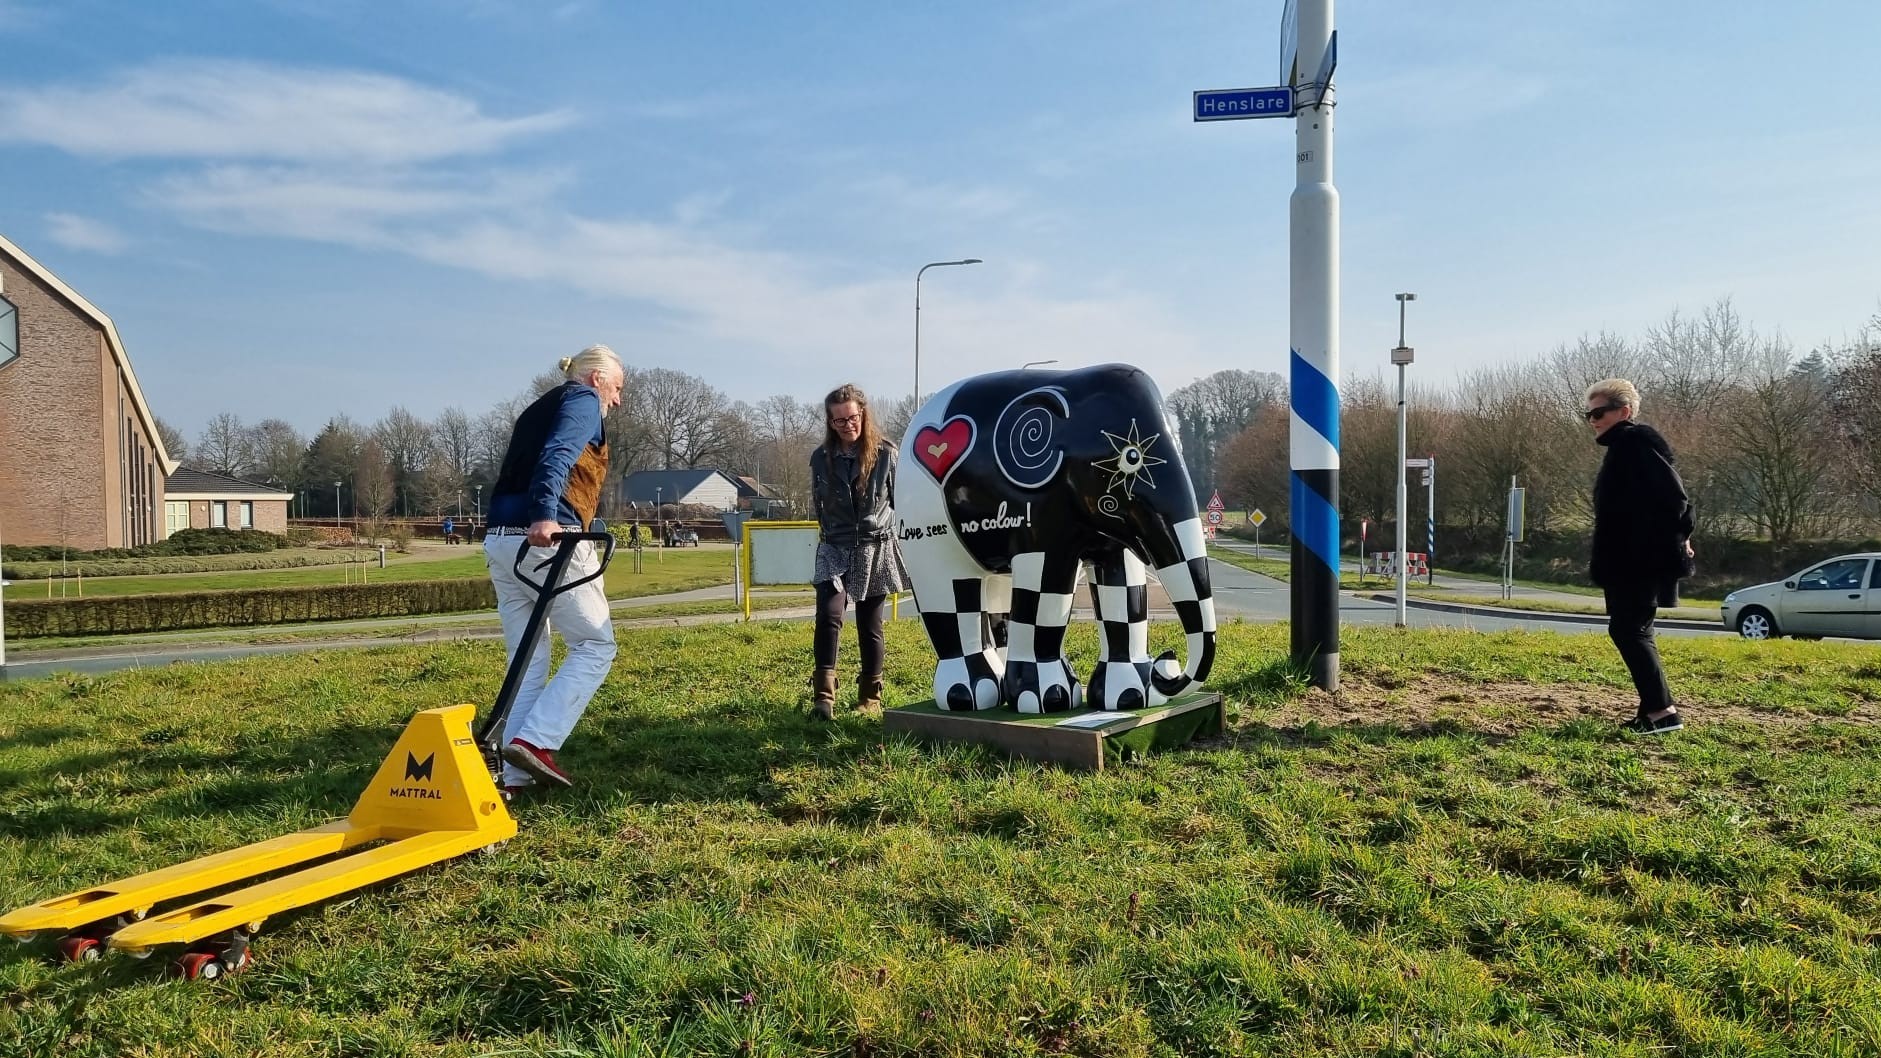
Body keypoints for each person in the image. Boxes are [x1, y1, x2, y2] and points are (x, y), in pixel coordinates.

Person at [483, 345, 625, 793]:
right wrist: (545, 514)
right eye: (617, 388)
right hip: (548, 538)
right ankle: (536, 742)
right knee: (594, 645)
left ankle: (515, 775)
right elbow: (558, 455)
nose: (617, 401)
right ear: (597, 379)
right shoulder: (582, 401)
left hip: (502, 541)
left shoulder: (538, 407)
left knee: (527, 661)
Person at [1585, 378, 1695, 734]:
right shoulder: (1624, 447)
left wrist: (1680, 537)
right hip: (1629, 558)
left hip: (1637, 559)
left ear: (1624, 412)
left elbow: (1675, 498)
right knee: (1633, 630)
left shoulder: (1633, 443)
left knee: (1629, 629)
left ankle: (1663, 712)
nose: (1593, 420)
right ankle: (1654, 712)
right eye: (1589, 414)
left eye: (1599, 412)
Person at [808, 383, 906, 720]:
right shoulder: (820, 459)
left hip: (873, 548)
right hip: (833, 547)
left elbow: (900, 502)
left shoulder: (887, 454)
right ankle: (823, 696)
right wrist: (830, 534)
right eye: (839, 421)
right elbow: (819, 503)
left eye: (852, 417)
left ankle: (870, 697)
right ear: (830, 423)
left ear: (863, 413)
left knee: (870, 624)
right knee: (829, 615)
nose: (847, 425)